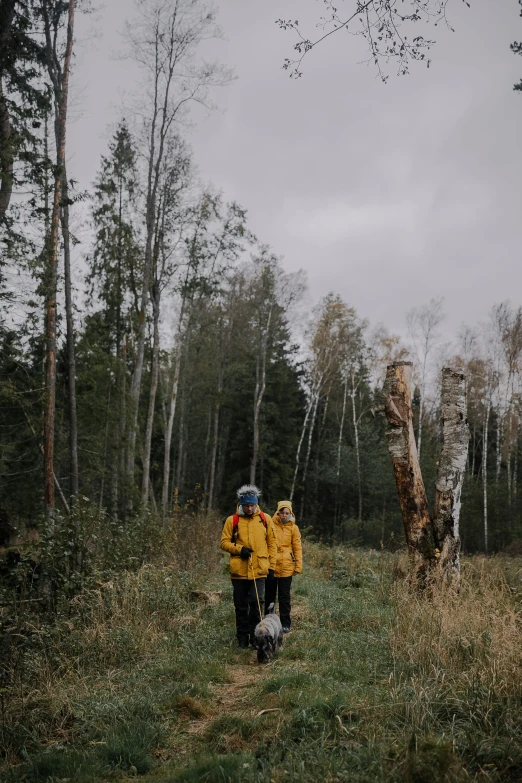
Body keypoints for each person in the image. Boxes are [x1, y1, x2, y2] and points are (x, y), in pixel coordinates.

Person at [220, 485, 277, 649]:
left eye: (252, 505)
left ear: (256, 504)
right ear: (241, 504)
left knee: (257, 602)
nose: (250, 508)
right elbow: (223, 542)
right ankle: (242, 637)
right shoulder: (232, 520)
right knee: (240, 605)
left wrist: (271, 567)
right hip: (238, 571)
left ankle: (256, 637)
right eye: (246, 505)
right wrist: (239, 550)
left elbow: (272, 544)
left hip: (259, 569)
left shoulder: (265, 519)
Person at [265, 500, 302, 634]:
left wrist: (298, 565)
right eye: (282, 513)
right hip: (272, 565)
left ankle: (285, 623)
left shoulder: (294, 528)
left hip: (287, 566)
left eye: (287, 513)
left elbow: (297, 548)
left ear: (290, 514)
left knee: (284, 596)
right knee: (269, 595)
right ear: (278, 513)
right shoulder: (271, 525)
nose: (284, 515)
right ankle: (268, 620)